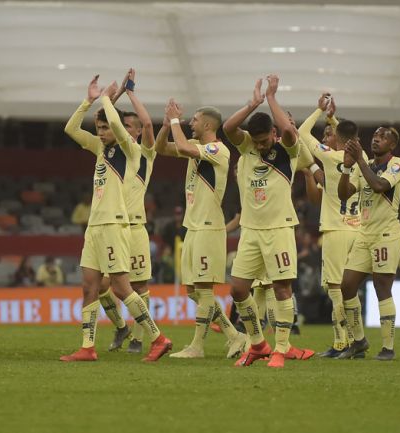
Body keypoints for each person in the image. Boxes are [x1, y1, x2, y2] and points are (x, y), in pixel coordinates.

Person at [61, 74, 170, 362]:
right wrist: (89, 100)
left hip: (115, 223)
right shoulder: (100, 149)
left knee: (122, 287)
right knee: (89, 286)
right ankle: (87, 347)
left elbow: (123, 130)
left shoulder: (129, 150)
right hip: (95, 226)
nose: (100, 132)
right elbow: (71, 128)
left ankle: (157, 338)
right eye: (98, 127)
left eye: (105, 126)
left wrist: (110, 98)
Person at [222, 75, 314, 368]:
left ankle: (281, 348)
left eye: (264, 141)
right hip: (250, 230)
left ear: (272, 134)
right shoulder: (247, 146)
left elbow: (288, 130)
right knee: (238, 290)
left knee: (281, 289)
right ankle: (258, 344)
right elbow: (228, 128)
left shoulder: (288, 151)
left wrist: (272, 98)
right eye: (257, 141)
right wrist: (252, 104)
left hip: (279, 228)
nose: (261, 147)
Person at [153, 98, 248, 359]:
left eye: (194, 120)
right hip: (193, 227)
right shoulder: (195, 145)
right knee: (193, 292)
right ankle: (234, 335)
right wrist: (165, 126)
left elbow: (182, 146)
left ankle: (197, 347)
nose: (190, 123)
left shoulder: (219, 150)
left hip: (208, 227)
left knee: (204, 290)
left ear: (207, 124)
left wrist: (174, 121)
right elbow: (160, 148)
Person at [96, 69, 158, 353]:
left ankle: (139, 337)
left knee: (139, 285)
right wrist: (113, 95)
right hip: (114, 225)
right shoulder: (112, 153)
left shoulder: (144, 152)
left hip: (136, 228)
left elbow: (146, 122)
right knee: (101, 286)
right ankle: (121, 327)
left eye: (128, 126)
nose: (128, 129)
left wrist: (130, 92)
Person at [298, 94, 365, 357]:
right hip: (357, 229)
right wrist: (333, 118)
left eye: (331, 133)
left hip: (336, 230)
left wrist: (319, 110)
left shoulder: (329, 156)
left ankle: (342, 343)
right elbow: (350, 137)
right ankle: (356, 341)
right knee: (349, 289)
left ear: (336, 138)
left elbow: (302, 132)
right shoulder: (361, 157)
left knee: (335, 288)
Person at [337, 126, 400, 361]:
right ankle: (359, 341)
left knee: (381, 287)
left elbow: (379, 186)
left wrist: (360, 162)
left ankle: (388, 347)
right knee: (346, 286)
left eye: (383, 137)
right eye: (375, 135)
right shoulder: (361, 165)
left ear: (392, 145)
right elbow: (343, 195)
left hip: (387, 234)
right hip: (365, 234)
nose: (376, 138)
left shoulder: (398, 164)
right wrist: (347, 166)